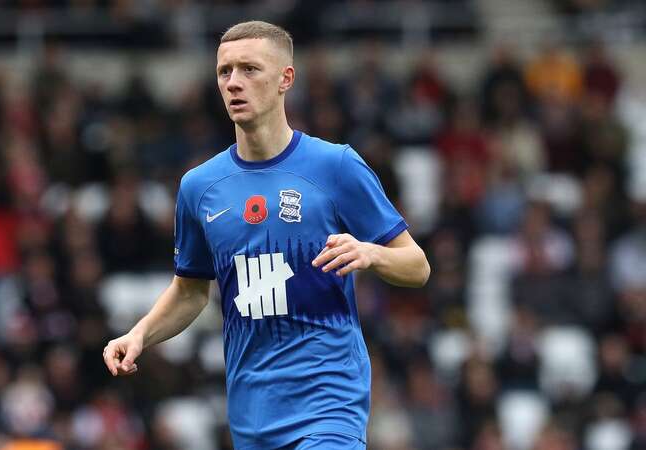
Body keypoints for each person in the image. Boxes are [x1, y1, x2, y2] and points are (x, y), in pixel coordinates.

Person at [103, 21, 430, 450]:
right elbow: (190, 291)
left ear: (285, 79)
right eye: (225, 72)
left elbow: (417, 266)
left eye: (249, 69)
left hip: (328, 408)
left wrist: (370, 253)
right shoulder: (199, 187)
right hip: (251, 416)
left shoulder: (336, 166)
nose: (234, 83)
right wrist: (140, 334)